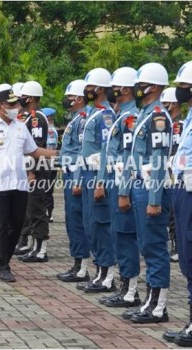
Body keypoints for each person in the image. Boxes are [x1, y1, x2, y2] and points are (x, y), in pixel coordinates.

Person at [0, 89, 57, 282]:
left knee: (16, 226)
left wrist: (57, 154)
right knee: (0, 227)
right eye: (11, 105)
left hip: (19, 184)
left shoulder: (20, 126)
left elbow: (33, 151)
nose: (15, 108)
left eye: (16, 104)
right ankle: (2, 266)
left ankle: (5, 258)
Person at [118, 62, 172, 323]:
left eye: (141, 86)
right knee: (146, 246)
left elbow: (160, 161)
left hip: (152, 190)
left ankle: (159, 307)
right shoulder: (144, 114)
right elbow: (132, 157)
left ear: (155, 87)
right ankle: (151, 301)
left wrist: (154, 199)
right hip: (139, 187)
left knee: (154, 247)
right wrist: (126, 189)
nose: (137, 90)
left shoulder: (159, 117)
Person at [96, 67, 141, 308]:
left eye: (114, 87)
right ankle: (126, 287)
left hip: (122, 182)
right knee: (117, 234)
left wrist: (123, 190)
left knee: (124, 236)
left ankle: (131, 290)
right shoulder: (121, 115)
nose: (111, 91)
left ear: (124, 89)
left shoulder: (130, 117)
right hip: (114, 181)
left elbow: (127, 157)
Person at [163, 60, 192, 347]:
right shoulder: (190, 117)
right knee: (186, 256)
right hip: (183, 190)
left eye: (184, 87)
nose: (179, 93)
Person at [79, 68, 116, 293]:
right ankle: (100, 270)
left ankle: (108, 273)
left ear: (100, 89)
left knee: (101, 225)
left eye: (89, 88)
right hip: (86, 173)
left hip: (96, 174)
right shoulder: (94, 112)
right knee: (90, 224)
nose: (87, 92)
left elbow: (105, 149)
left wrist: (101, 181)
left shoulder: (106, 115)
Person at [56, 79, 91, 283]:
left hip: (76, 175)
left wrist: (77, 180)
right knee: (71, 220)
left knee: (77, 221)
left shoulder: (83, 120)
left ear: (78, 99)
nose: (67, 100)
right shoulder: (75, 118)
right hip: (69, 174)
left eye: (70, 97)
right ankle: (77, 262)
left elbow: (80, 153)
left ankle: (82, 266)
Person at [17, 81, 50, 262]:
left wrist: (32, 173)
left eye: (23, 96)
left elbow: (37, 147)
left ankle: (41, 249)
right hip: (27, 169)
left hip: (36, 171)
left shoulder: (37, 117)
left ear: (30, 98)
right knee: (30, 209)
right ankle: (33, 246)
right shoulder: (27, 117)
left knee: (37, 209)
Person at [160, 87, 183, 263]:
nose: (163, 107)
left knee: (176, 211)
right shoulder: (166, 122)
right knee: (168, 211)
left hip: (179, 171)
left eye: (166, 103)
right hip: (165, 169)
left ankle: (177, 246)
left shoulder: (181, 123)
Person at [43, 107, 58, 222]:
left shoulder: (50, 131)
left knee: (47, 188)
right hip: (46, 162)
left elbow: (51, 146)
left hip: (49, 163)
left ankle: (49, 212)